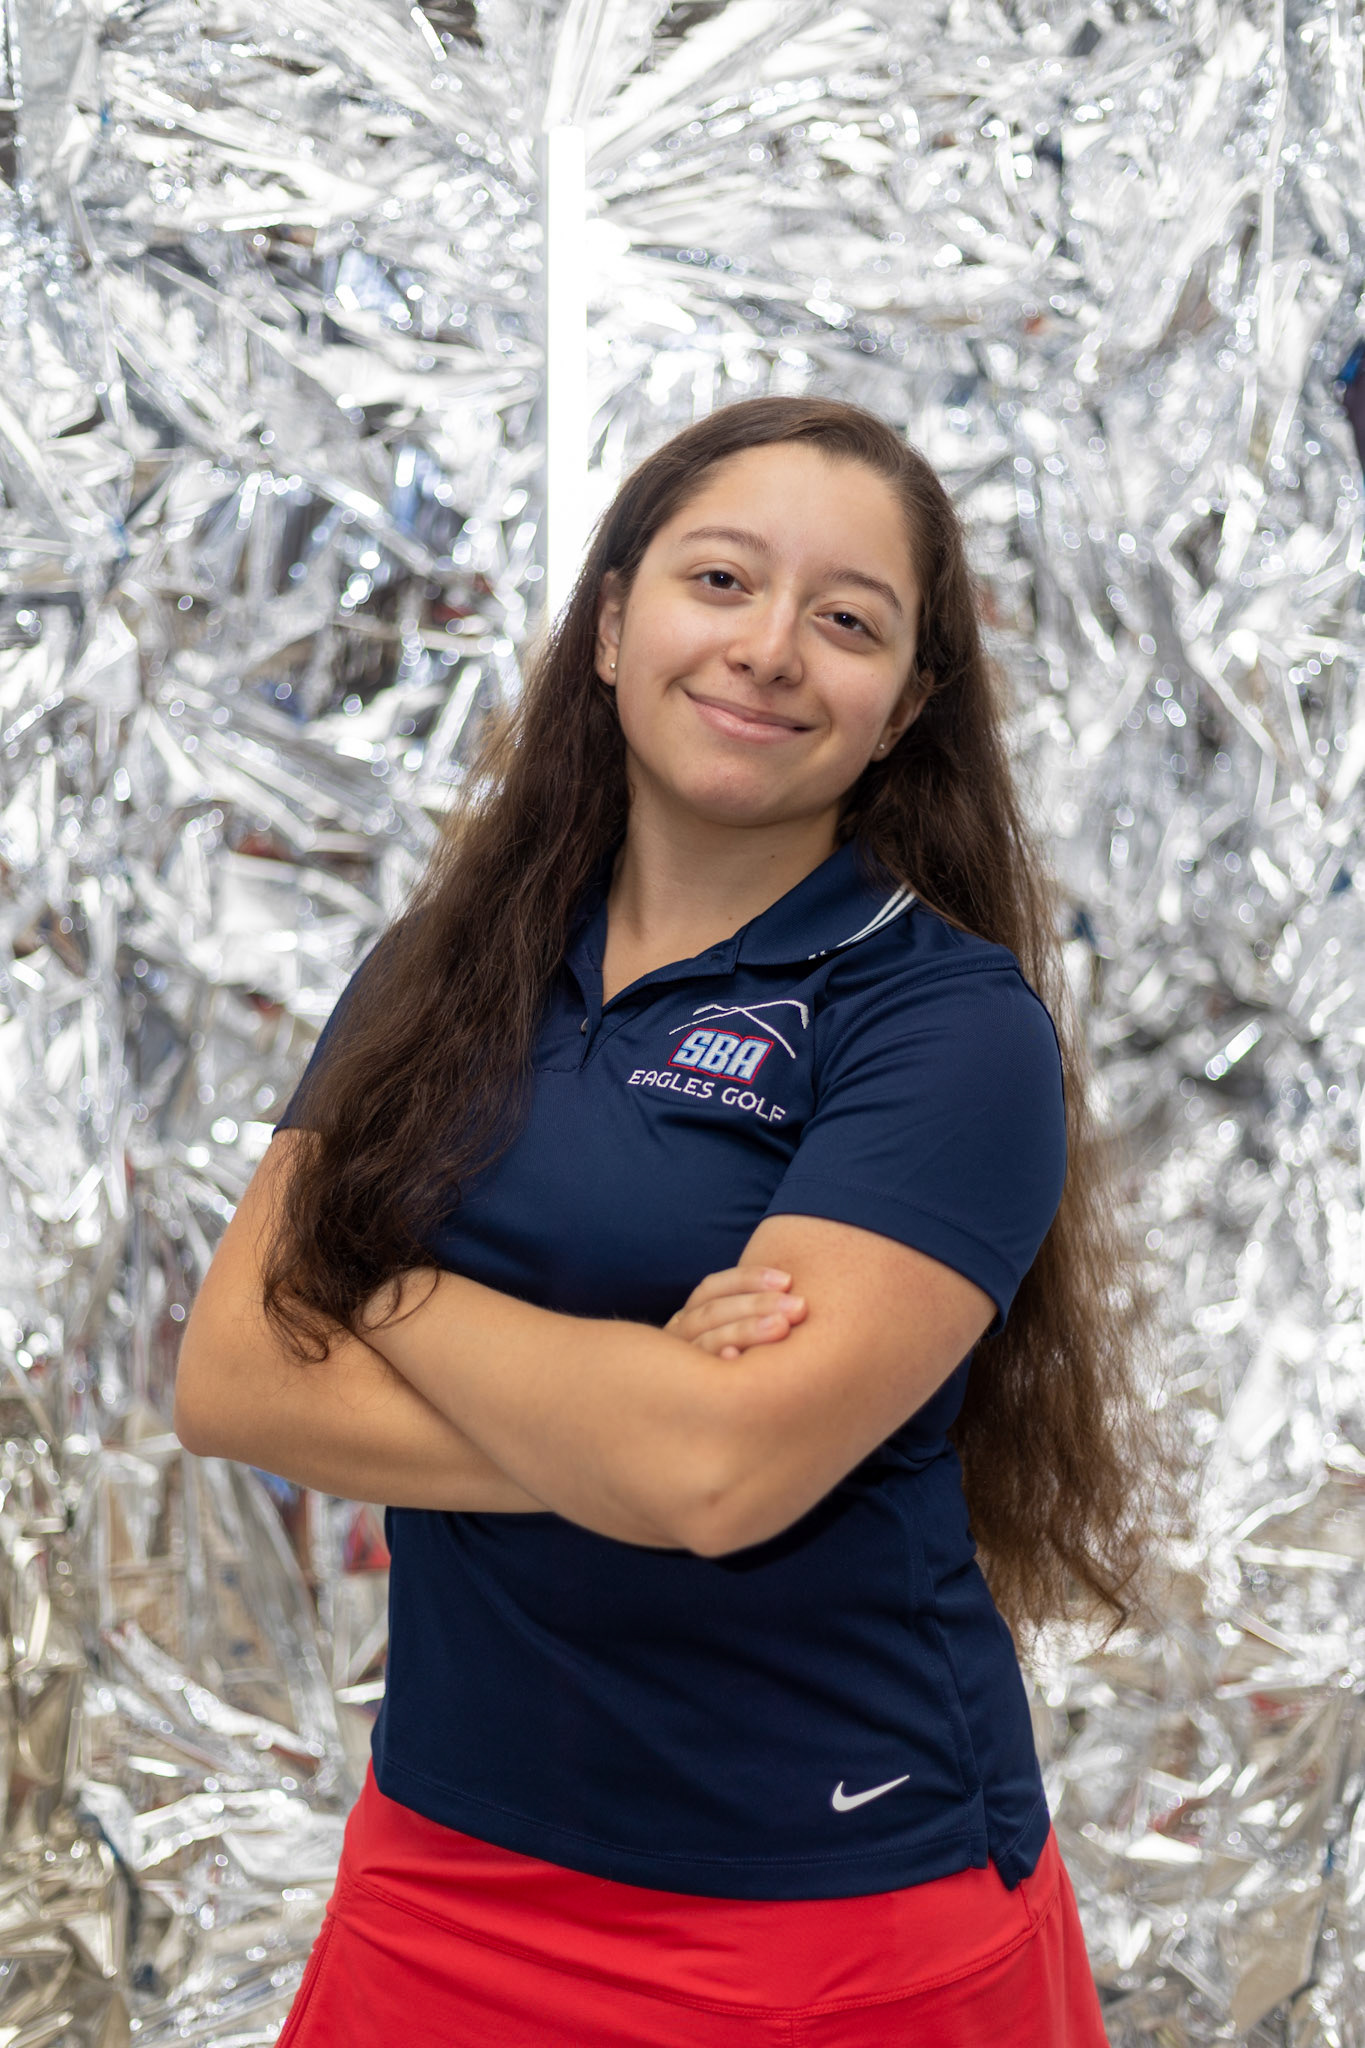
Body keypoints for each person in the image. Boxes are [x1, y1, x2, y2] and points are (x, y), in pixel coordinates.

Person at [175, 395, 1148, 2045]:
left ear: (905, 706)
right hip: (446, 1867)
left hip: (827, 1907)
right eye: (719, 581)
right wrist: (626, 1412)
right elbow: (234, 1380)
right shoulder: (444, 967)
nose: (770, 649)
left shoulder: (944, 1025)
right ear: (615, 621)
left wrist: (386, 1290)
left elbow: (717, 1471)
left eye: (846, 621)